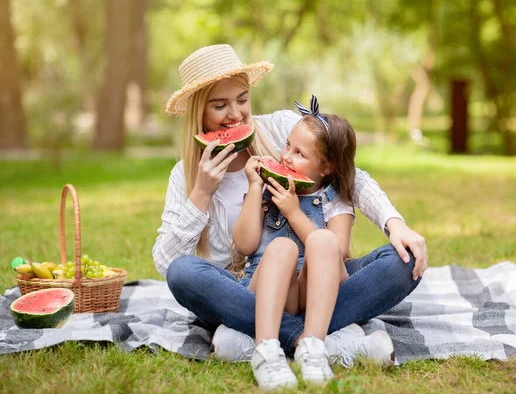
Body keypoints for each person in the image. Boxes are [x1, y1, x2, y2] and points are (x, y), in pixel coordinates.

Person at [153, 44, 428, 373]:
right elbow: (167, 263)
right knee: (184, 273)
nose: (236, 114)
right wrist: (201, 193)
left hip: (318, 279)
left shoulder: (281, 129)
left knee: (404, 260)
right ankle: (316, 341)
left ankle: (257, 336)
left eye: (242, 99)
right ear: (198, 111)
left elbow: (349, 175)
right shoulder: (183, 174)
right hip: (246, 288)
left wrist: (394, 222)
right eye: (219, 105)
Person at [234, 96, 363, 388]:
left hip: (314, 292)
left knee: (325, 241)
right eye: (287, 146)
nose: (286, 157)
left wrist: (293, 213)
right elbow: (245, 245)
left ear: (326, 167)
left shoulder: (337, 202)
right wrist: (255, 188)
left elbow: (338, 252)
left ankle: (312, 348)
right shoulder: (268, 187)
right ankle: (266, 350)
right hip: (271, 288)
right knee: (282, 247)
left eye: (299, 154)